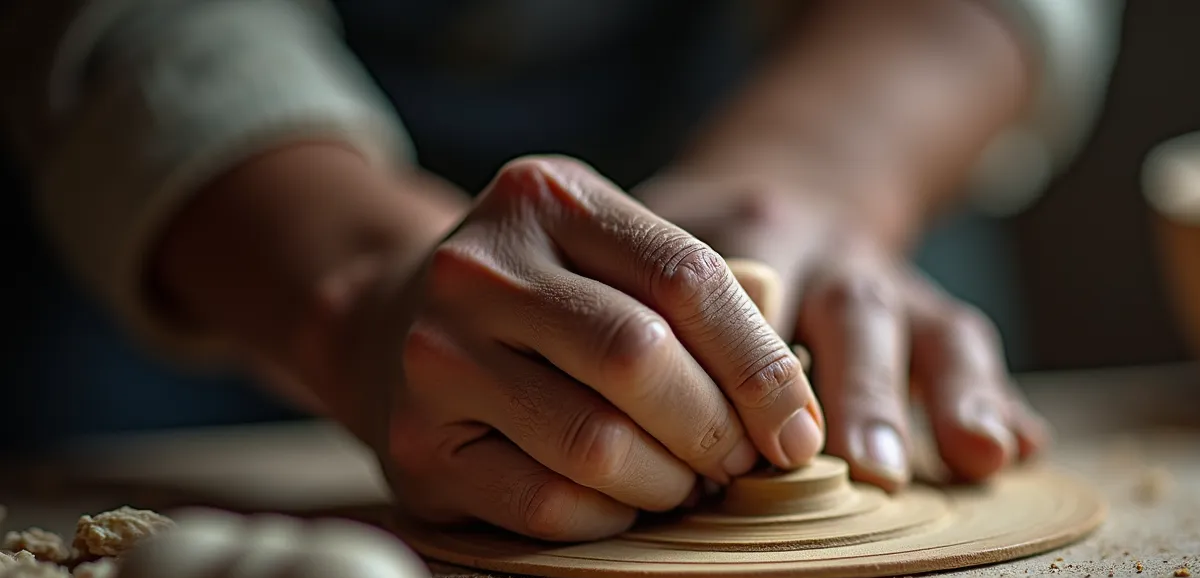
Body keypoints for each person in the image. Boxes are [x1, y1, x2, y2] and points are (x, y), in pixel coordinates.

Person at [0, 0, 1123, 541]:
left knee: (854, 371)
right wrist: (358, 295)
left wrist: (820, 178)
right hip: (219, 202)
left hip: (818, 108)